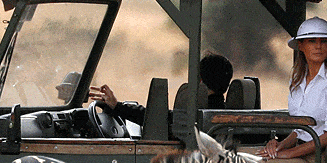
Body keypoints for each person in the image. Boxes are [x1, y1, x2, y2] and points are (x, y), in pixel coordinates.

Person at [256, 17, 327, 162]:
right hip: (300, 150)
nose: (318, 46)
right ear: (301, 45)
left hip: (321, 156)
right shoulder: (297, 80)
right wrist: (279, 146)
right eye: (312, 41)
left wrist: (290, 153)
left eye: (323, 41)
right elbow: (299, 132)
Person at [89, 53, 233, 124]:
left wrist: (116, 106)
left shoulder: (193, 119)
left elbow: (156, 119)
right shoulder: (235, 118)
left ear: (200, 80)